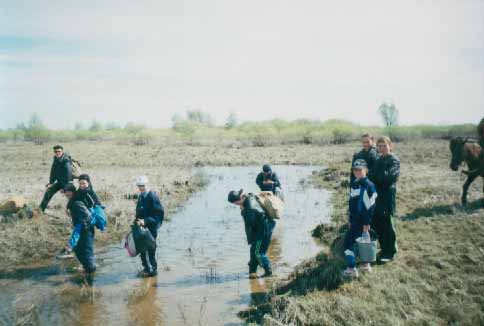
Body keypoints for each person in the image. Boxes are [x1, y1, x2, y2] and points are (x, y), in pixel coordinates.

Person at [228, 189, 276, 279]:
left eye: (235, 202)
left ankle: (268, 271)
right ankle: (252, 272)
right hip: (261, 229)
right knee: (253, 250)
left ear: (239, 199)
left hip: (263, 230)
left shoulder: (249, 206)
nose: (236, 204)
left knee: (258, 252)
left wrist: (243, 211)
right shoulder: (248, 198)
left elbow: (251, 221)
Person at [343, 159, 377, 278]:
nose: (357, 172)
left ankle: (351, 268)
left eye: (360, 170)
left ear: (366, 170)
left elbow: (370, 206)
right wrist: (350, 220)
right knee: (362, 242)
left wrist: (366, 222)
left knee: (349, 243)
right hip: (355, 220)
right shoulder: (354, 184)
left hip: (362, 221)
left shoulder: (369, 186)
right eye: (355, 170)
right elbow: (351, 204)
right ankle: (365, 265)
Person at [370, 136, 400, 263]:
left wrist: (376, 177)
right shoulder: (378, 159)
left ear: (390, 146)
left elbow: (389, 178)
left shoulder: (393, 160)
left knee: (387, 225)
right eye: (379, 146)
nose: (381, 148)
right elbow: (371, 175)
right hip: (377, 197)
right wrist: (377, 176)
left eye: (384, 146)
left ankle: (390, 252)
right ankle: (383, 249)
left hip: (387, 196)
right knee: (378, 223)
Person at [64, 184, 96, 284]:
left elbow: (86, 217)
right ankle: (87, 268)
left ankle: (90, 274)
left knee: (86, 252)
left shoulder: (76, 203)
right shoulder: (73, 202)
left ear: (73, 192)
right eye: (66, 191)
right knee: (78, 250)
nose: (67, 193)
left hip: (86, 230)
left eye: (69, 191)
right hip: (83, 228)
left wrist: (72, 242)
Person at [134, 176, 164, 277]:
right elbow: (139, 212)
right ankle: (146, 269)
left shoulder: (152, 197)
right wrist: (137, 222)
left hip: (151, 229)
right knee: (142, 250)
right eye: (139, 186)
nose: (141, 188)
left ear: (147, 185)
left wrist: (145, 221)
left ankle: (153, 272)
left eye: (143, 186)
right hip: (142, 228)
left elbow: (159, 215)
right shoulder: (141, 196)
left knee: (150, 250)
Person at [40, 145, 73, 212]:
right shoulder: (56, 159)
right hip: (59, 182)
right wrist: (51, 182)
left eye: (59, 151)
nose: (57, 153)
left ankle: (74, 212)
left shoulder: (66, 161)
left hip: (67, 182)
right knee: (49, 191)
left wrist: (64, 188)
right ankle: (41, 210)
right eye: (56, 152)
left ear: (62, 151)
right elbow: (53, 172)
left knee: (71, 198)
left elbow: (68, 175)